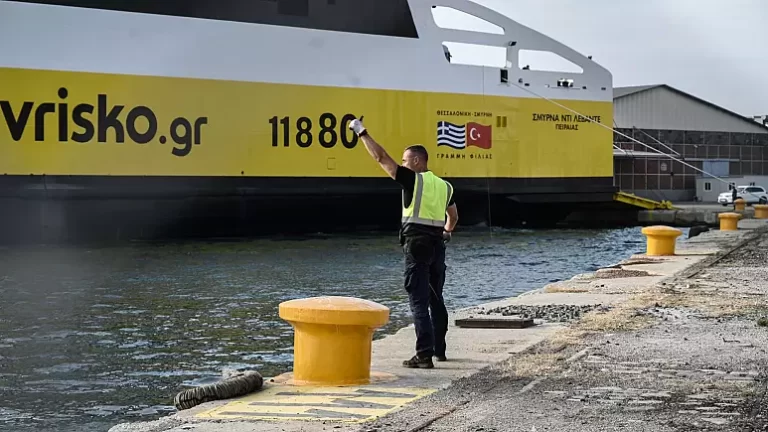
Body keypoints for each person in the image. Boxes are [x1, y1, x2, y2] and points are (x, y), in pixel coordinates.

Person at [348, 117, 458, 369]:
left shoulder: (412, 179)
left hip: (417, 245)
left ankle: (423, 355)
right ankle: (440, 350)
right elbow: (453, 216)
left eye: (406, 160)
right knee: (436, 298)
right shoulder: (445, 186)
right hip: (437, 246)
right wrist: (447, 231)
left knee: (418, 301)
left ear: (417, 162)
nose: (403, 163)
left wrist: (361, 132)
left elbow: (381, 158)